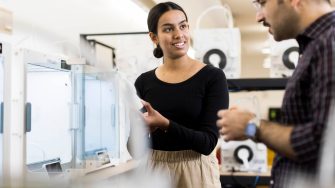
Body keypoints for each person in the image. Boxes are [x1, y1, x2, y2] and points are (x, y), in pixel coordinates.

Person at [216, 0, 335, 187]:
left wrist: (252, 127)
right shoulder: (315, 47)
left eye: (262, 3)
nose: (259, 16)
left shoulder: (329, 44)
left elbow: (324, 143)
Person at [134, 2, 229, 188]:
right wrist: (137, 132)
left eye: (183, 26)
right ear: (154, 37)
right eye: (168, 29)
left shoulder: (212, 77)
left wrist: (165, 124)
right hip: (154, 171)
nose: (179, 34)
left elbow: (208, 143)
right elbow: (135, 150)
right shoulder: (143, 82)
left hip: (196, 172)